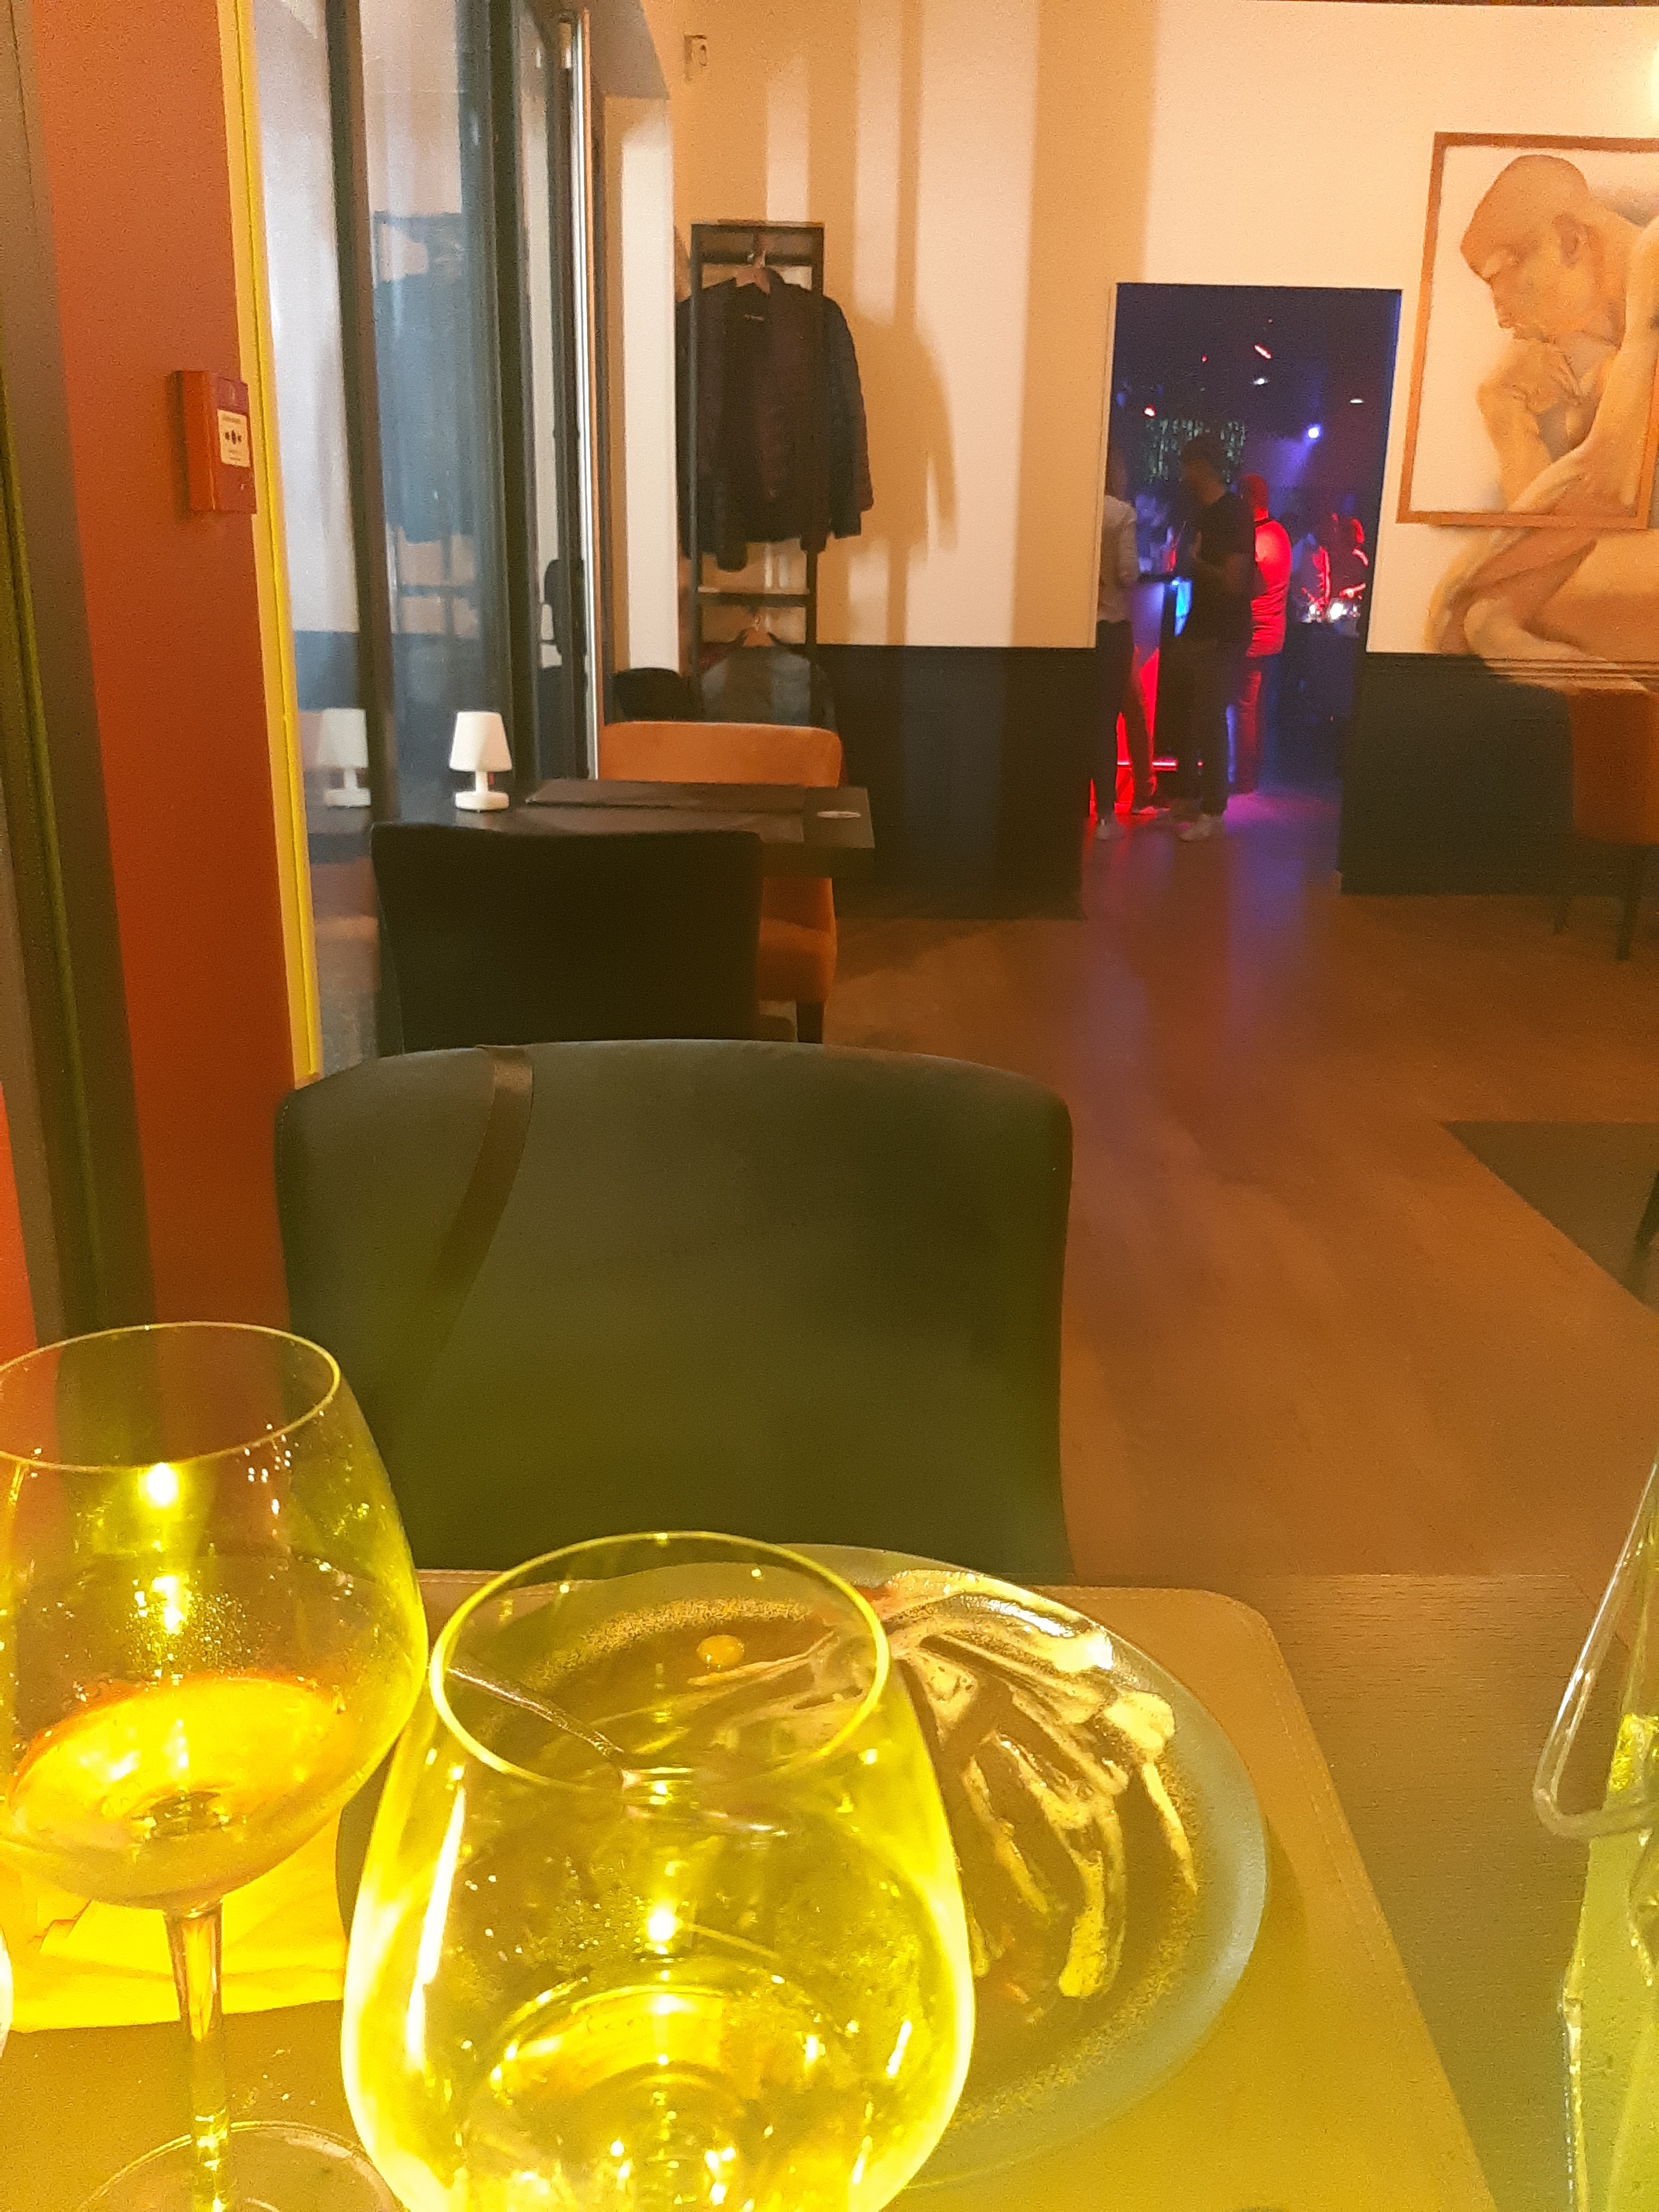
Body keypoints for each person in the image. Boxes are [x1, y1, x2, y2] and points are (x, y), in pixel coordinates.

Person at [1426, 153, 1659, 673]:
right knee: (1493, 620)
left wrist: (1461, 581)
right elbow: (1550, 542)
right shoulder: (1605, 359)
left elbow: (1605, 490)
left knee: (1494, 614)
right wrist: (1507, 416)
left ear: (1570, 241)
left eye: (1501, 275)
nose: (1501, 313)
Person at [1160, 433, 1253, 840]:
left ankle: (1213, 809)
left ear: (1202, 466)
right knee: (1191, 715)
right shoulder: (1205, 512)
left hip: (1223, 631)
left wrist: (1196, 563)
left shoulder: (1233, 512)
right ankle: (1191, 798)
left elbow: (1234, 582)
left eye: (1187, 465)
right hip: (1201, 627)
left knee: (1210, 718)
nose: (1183, 474)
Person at [1094, 448, 1155, 838]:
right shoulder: (1121, 514)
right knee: (1114, 715)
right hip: (1113, 624)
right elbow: (1128, 573)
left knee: (1087, 719)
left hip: (1077, 628)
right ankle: (1111, 813)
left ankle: (1088, 808)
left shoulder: (1074, 510)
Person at [1233, 474, 1291, 793]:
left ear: (1246, 498)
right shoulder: (1280, 532)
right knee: (1257, 708)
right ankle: (1253, 773)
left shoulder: (1256, 538)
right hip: (1273, 633)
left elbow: (1248, 585)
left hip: (1252, 634)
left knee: (1244, 708)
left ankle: (1243, 778)